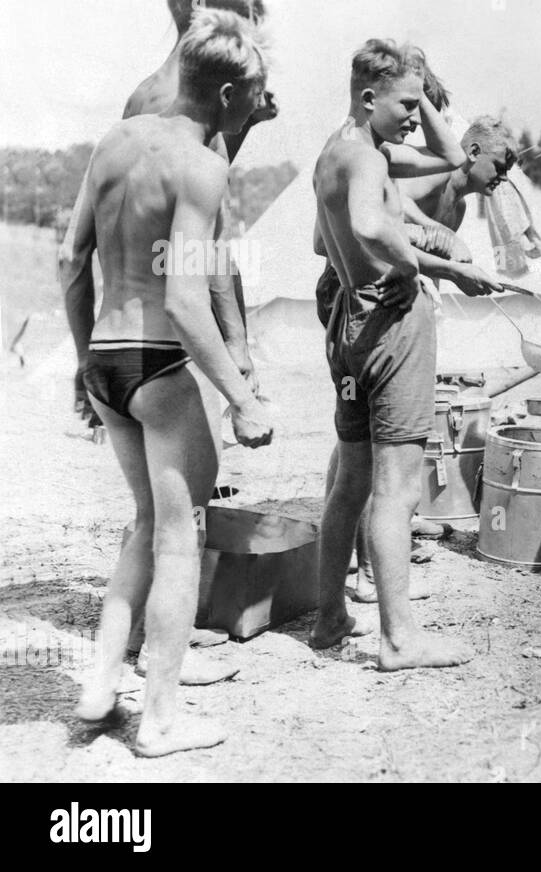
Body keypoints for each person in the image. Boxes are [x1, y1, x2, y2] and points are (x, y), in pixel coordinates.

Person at [64, 8, 275, 755]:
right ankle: (158, 720)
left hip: (105, 362)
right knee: (182, 539)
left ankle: (97, 686)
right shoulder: (201, 166)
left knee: (145, 526)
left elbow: (70, 262)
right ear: (224, 96)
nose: (257, 107)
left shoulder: (115, 143)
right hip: (156, 364)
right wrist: (242, 398)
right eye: (254, 96)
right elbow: (187, 299)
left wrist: (83, 357)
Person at [311, 38, 487, 671]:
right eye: (408, 103)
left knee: (351, 479)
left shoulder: (344, 151)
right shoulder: (365, 161)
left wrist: (417, 77)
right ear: (367, 97)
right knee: (398, 489)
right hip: (391, 323)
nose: (417, 114)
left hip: (347, 327)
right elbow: (368, 224)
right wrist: (432, 262)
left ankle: (330, 615)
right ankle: (398, 639)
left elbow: (449, 155)